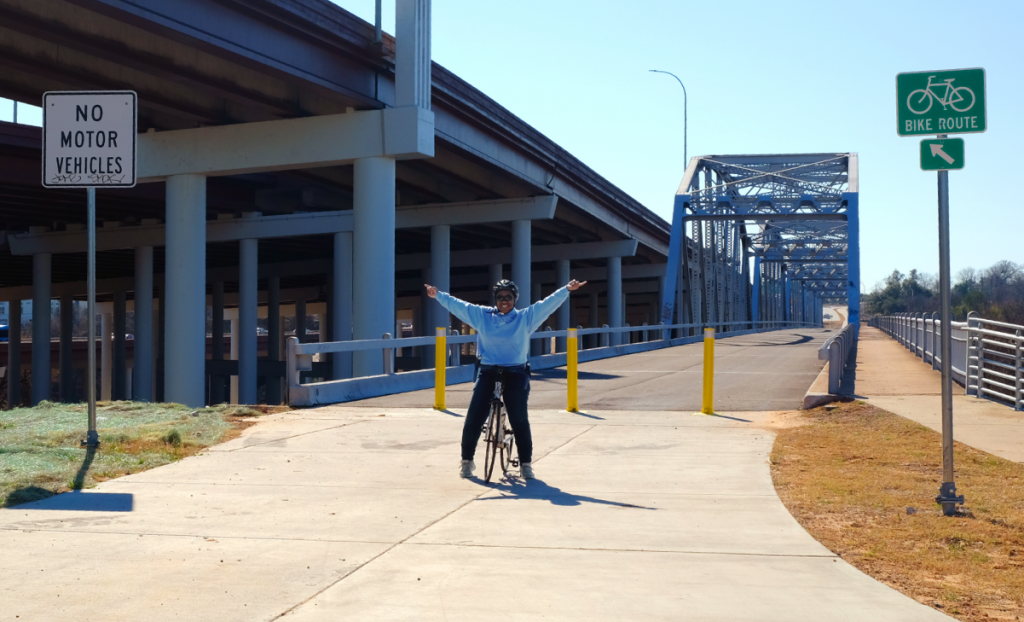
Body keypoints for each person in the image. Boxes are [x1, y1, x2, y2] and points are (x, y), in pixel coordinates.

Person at [424, 278, 587, 479]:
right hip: (488, 370)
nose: (504, 301)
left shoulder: (525, 318)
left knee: (519, 418)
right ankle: (466, 461)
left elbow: (547, 305)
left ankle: (526, 464)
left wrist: (566, 290)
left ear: (515, 299)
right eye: (500, 297)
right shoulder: (483, 315)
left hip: (516, 372)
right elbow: (460, 306)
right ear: (495, 299)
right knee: (474, 416)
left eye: (508, 297)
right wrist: (438, 295)